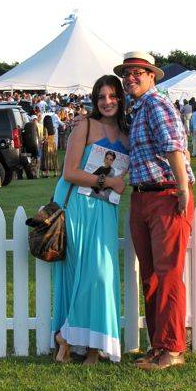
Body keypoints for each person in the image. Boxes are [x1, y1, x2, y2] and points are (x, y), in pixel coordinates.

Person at [113, 51, 195, 371]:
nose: (130, 78)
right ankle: (158, 345)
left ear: (151, 76)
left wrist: (182, 189)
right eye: (126, 73)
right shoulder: (138, 109)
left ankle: (172, 349)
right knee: (151, 277)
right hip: (143, 196)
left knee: (168, 275)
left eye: (137, 72)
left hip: (165, 194)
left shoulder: (156, 104)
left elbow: (174, 147)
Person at [52, 75, 129, 365]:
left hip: (105, 208)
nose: (107, 102)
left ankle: (87, 344)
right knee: (79, 274)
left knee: (100, 273)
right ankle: (73, 342)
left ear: (120, 98)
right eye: (101, 97)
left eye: (112, 96)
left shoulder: (128, 132)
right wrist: (109, 182)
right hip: (77, 205)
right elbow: (69, 172)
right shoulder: (84, 125)